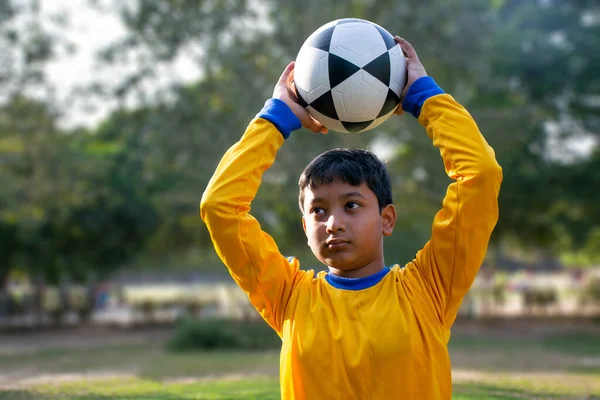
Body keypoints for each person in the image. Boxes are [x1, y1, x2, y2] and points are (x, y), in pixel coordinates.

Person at [200, 37, 502, 400]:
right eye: (318, 210)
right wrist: (275, 118)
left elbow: (480, 176)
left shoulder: (429, 290)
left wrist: (426, 97)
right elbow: (219, 206)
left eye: (352, 205)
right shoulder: (287, 297)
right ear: (305, 226)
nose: (333, 223)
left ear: (387, 218)